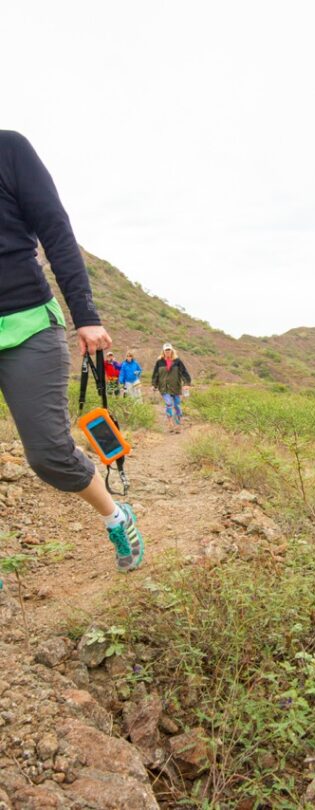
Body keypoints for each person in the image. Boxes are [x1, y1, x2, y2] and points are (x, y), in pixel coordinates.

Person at [0, 130, 144, 574]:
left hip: (25, 326)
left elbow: (56, 232)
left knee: (49, 456)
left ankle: (116, 516)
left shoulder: (10, 150)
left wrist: (85, 314)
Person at [152, 343, 191, 431]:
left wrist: (186, 384)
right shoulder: (159, 362)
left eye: (169, 349)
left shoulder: (177, 361)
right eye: (166, 350)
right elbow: (155, 374)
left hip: (175, 387)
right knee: (169, 403)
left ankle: (178, 424)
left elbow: (184, 373)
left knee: (177, 405)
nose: (168, 351)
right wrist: (154, 384)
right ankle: (170, 423)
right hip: (163, 387)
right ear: (163, 351)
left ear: (172, 350)